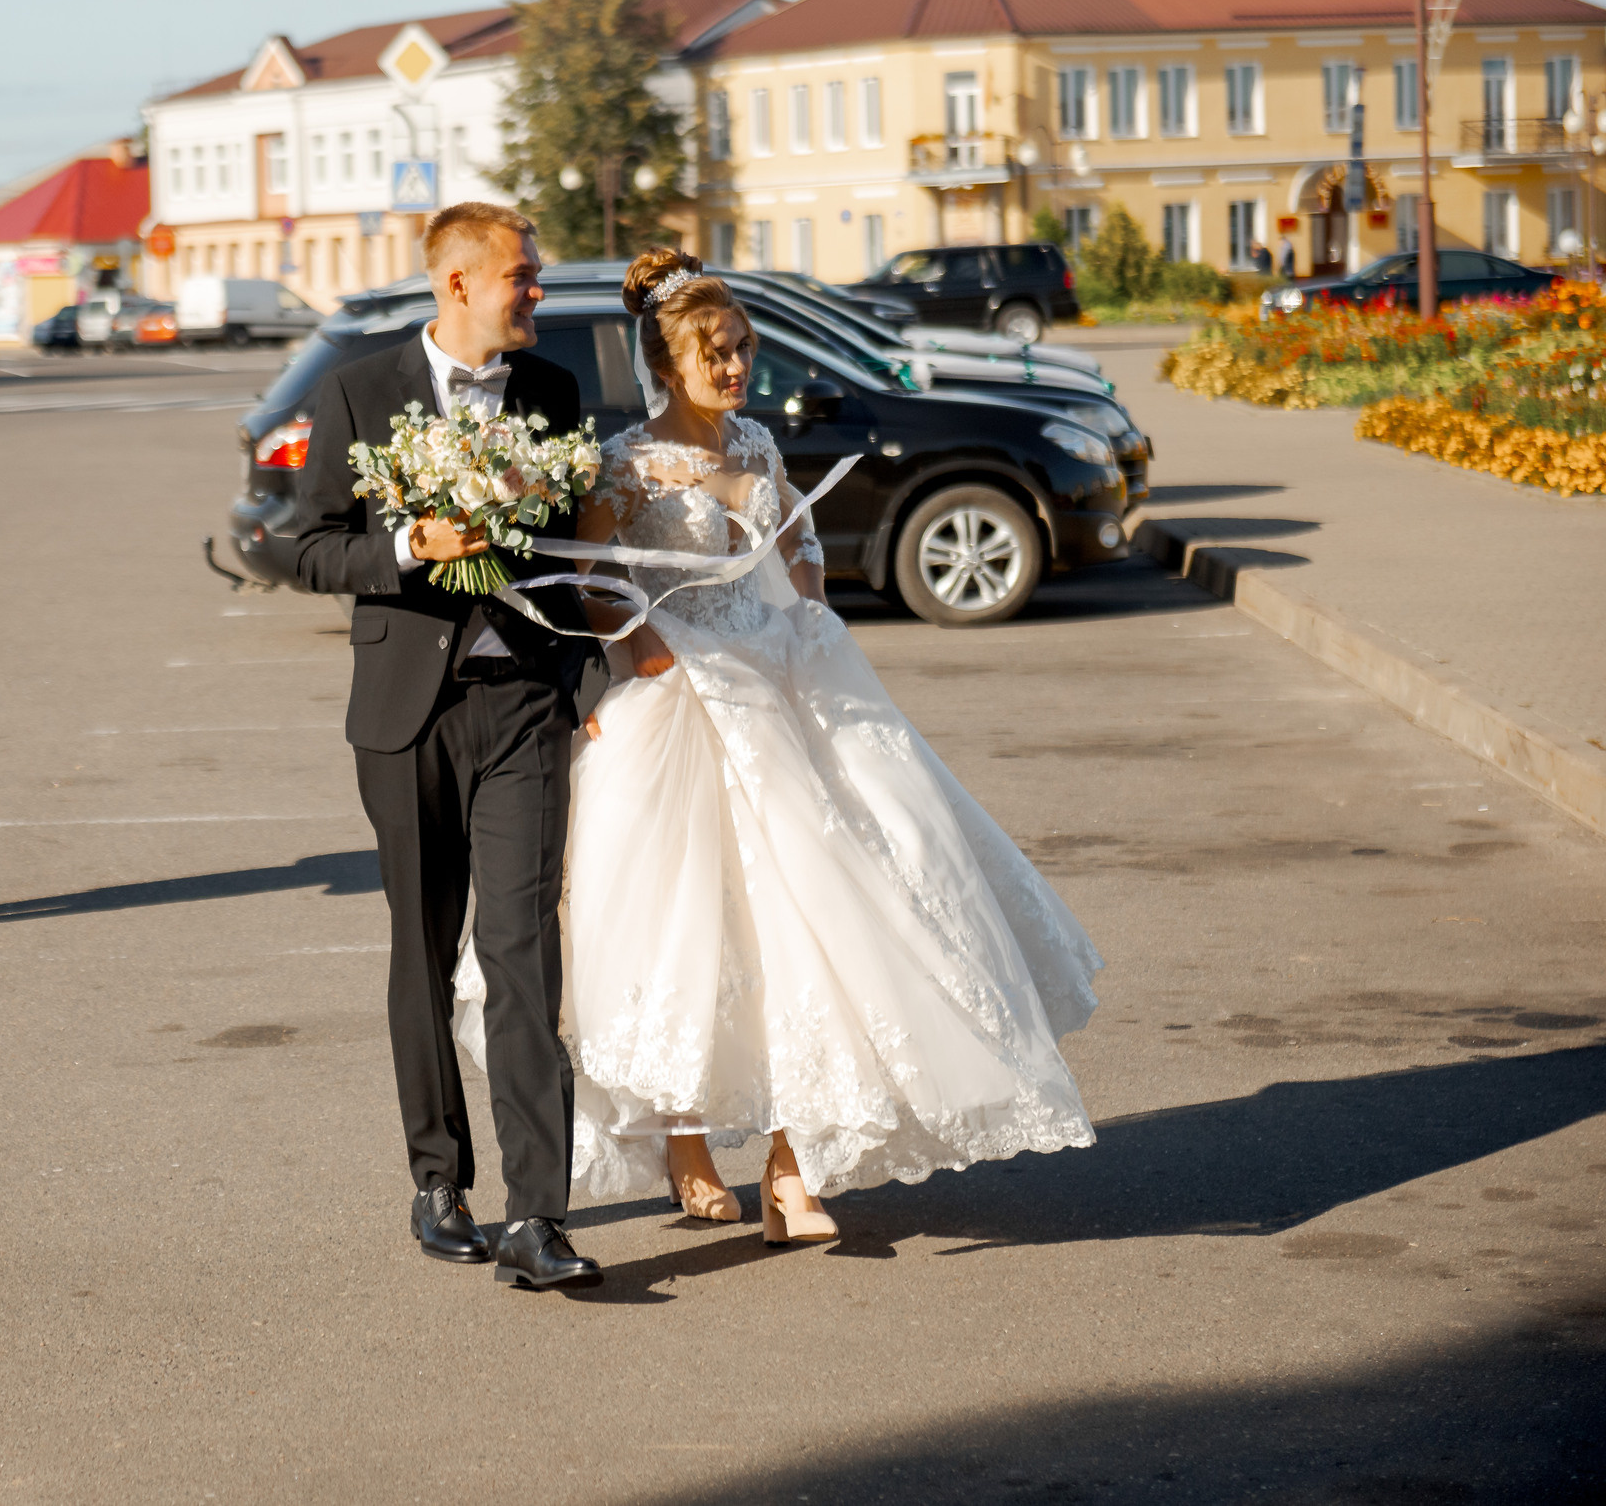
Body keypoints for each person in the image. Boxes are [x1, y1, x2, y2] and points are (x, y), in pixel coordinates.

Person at [458, 248, 1102, 1242]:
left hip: (781, 683)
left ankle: (791, 1172)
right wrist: (648, 645)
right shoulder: (626, 463)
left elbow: (794, 543)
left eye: (743, 347)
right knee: (690, 928)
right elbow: (592, 582)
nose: (735, 365)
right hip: (680, 702)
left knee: (826, 919)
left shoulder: (757, 444)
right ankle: (684, 1138)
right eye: (714, 352)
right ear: (666, 364)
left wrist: (803, 604)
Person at [286, 202, 610, 1293]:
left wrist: (585, 671)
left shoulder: (556, 394)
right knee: (422, 950)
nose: (539, 294)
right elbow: (304, 547)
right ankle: (439, 1181)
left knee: (523, 950)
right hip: (406, 712)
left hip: (523, 698)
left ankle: (538, 1215)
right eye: (525, 276)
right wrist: (406, 543)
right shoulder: (358, 391)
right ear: (461, 283)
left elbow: (578, 550)